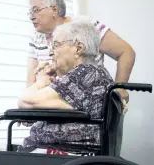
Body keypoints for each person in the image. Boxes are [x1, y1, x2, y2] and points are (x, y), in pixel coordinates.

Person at [16, 19, 127, 155]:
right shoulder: (91, 74)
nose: (51, 53)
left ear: (78, 49)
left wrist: (41, 81)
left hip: (67, 154)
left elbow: (26, 100)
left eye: (56, 45)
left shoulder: (85, 73)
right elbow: (28, 103)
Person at [26, 0, 135, 103]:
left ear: (54, 10)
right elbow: (31, 83)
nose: (31, 17)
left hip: (83, 102)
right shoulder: (36, 38)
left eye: (36, 10)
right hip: (52, 102)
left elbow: (126, 52)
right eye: (30, 12)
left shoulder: (84, 27)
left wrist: (119, 89)